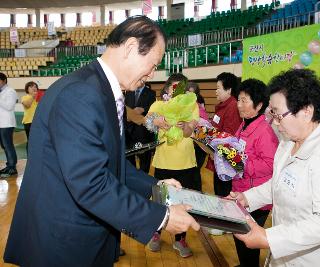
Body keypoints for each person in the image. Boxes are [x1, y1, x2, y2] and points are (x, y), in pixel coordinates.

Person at [4, 16, 200, 267]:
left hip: (80, 237)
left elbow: (109, 162)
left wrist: (155, 186)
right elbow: (91, 182)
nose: (152, 74)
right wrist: (161, 218)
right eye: (153, 64)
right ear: (130, 48)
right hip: (63, 243)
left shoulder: (99, 89)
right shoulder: (82, 94)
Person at [230, 69, 320, 266]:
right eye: (272, 114)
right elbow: (279, 184)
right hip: (284, 255)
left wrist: (269, 238)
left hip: (314, 260)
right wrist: (247, 198)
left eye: (278, 115)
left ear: (306, 111)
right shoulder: (288, 142)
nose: (274, 122)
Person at [147, 73, 200, 258]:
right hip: (163, 161)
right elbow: (147, 123)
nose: (176, 91)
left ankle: (180, 239)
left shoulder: (191, 105)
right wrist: (156, 121)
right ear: (167, 89)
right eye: (173, 87)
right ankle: (156, 233)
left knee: (182, 202)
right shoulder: (158, 104)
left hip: (185, 162)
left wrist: (185, 125)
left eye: (181, 88)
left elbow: (189, 131)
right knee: (160, 200)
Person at [232, 79, 279, 267]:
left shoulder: (265, 131)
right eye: (238, 99)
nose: (239, 104)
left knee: (248, 238)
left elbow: (270, 164)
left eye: (244, 100)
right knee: (240, 235)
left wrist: (241, 165)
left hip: (258, 197)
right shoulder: (244, 125)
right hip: (242, 189)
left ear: (259, 105)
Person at [206, 72, 242, 235]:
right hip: (217, 155)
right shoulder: (222, 106)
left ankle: (225, 224)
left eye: (218, 88)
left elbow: (229, 136)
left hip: (225, 159)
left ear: (229, 90)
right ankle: (223, 222)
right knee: (219, 188)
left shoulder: (232, 106)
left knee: (225, 190)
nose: (215, 91)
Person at [124, 82, 156, 173]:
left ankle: (144, 177)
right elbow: (125, 107)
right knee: (129, 157)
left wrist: (143, 109)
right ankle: (133, 177)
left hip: (143, 131)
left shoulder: (151, 93)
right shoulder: (129, 92)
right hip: (129, 130)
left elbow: (153, 109)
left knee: (144, 158)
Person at [0, 72, 18, 178]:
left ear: (4, 80)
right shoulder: (1, 92)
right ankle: (9, 165)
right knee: (4, 146)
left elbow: (9, 106)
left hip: (7, 123)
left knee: (8, 145)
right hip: (1, 123)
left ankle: (12, 167)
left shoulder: (10, 91)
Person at [21, 81, 39, 153]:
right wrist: (32, 96)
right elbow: (27, 105)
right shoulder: (25, 97)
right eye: (31, 87)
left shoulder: (38, 98)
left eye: (35, 87)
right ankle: (30, 158)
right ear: (27, 89)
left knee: (38, 141)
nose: (34, 88)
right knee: (31, 141)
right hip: (29, 122)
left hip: (38, 122)